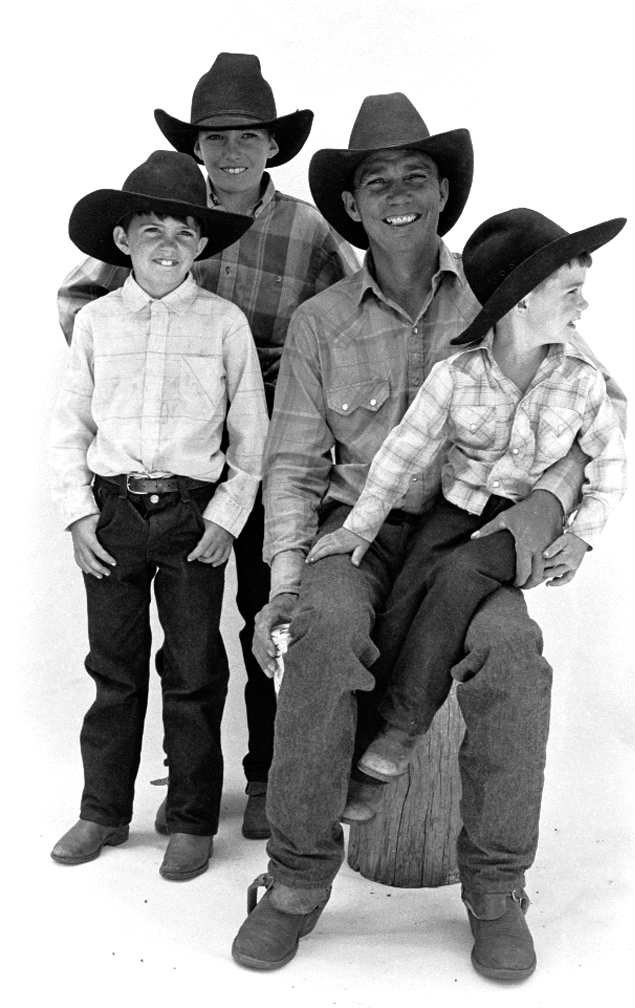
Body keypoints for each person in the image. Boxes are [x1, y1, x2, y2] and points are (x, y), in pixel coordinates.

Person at [230, 93, 626, 980]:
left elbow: (604, 406)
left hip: (472, 537)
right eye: (377, 182)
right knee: (325, 632)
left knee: (513, 653)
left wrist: (554, 506)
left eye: (416, 177)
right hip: (357, 534)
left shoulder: (505, 289)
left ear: (444, 192)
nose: (397, 194)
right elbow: (293, 468)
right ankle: (294, 882)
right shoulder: (320, 322)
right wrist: (286, 583)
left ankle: (495, 889)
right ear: (354, 204)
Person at [57, 53, 359, 841]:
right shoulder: (163, 210)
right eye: (217, 139)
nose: (232, 153)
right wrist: (153, 375)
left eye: (249, 138)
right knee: (129, 656)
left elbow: (349, 318)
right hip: (162, 458)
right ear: (198, 147)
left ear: (272, 146)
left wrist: (271, 383)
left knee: (262, 609)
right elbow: (81, 300)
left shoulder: (308, 228)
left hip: (265, 444)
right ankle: (123, 803)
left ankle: (262, 779)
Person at [307, 207, 627, 782]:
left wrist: (580, 537)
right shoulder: (458, 373)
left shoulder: (581, 378)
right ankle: (359, 747)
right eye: (572, 292)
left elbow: (611, 466)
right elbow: (402, 452)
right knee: (406, 589)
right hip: (457, 509)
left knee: (459, 579)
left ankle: (406, 725)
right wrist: (359, 524)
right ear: (522, 301)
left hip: (522, 521)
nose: (584, 306)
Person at [49, 152, 268, 881]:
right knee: (112, 669)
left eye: (182, 231)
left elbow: (250, 435)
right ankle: (103, 811)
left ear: (202, 243)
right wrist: (80, 516)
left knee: (194, 669)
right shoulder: (96, 323)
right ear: (122, 242)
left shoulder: (225, 324)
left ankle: (192, 818)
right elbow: (69, 424)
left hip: (191, 517)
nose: (167, 245)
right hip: (113, 513)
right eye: (150, 230)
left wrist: (226, 517)